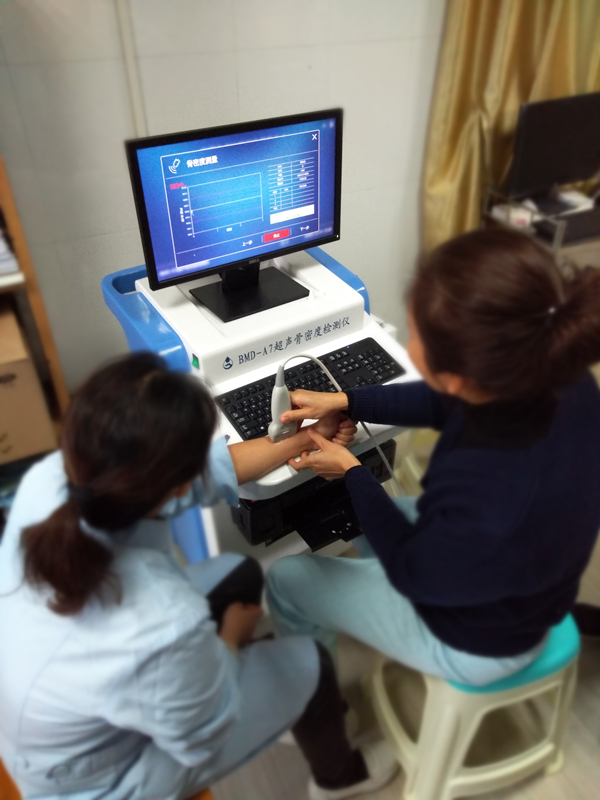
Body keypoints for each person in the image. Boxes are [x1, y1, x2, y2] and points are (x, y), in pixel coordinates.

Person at [0, 352, 399, 800]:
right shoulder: (165, 621)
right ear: (177, 483)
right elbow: (199, 739)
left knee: (238, 574)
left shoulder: (53, 477)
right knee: (314, 661)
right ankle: (340, 777)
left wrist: (306, 438)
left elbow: (214, 466)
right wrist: (229, 639)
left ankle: (226, 682)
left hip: (55, 702)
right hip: (95, 776)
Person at [266, 227, 600, 687]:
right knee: (364, 511)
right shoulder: (560, 378)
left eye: (414, 331)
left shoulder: (489, 490)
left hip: (478, 638)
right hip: (517, 582)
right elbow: (446, 401)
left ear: (460, 376)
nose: (409, 339)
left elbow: (414, 571)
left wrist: (352, 472)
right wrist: (348, 401)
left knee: (288, 577)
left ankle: (313, 699)